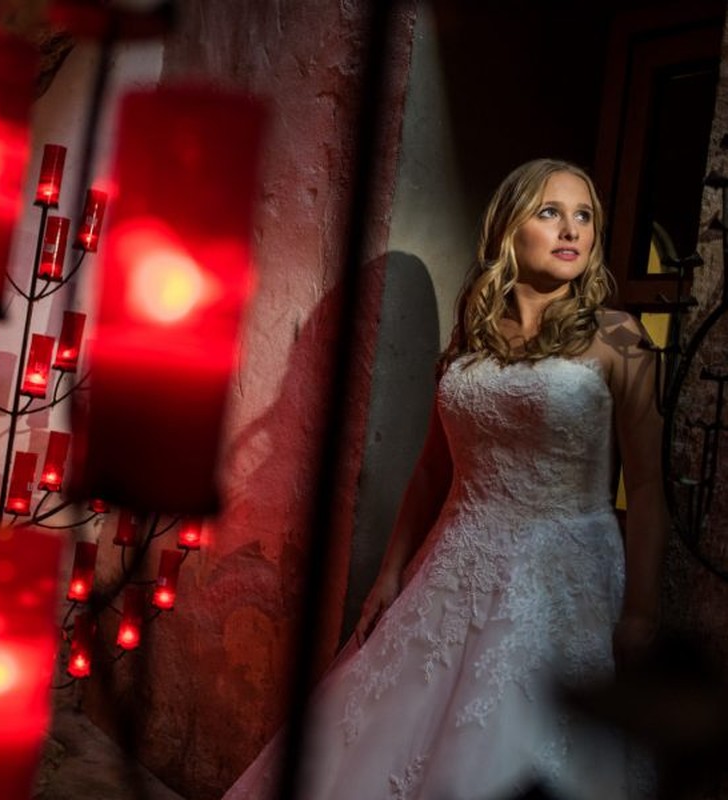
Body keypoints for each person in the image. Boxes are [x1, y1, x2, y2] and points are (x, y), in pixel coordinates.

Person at [223, 158, 668, 799]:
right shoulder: (474, 332)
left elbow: (648, 488)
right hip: (453, 570)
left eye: (584, 216)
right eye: (550, 213)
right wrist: (390, 573)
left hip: (560, 578)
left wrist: (642, 613)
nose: (572, 230)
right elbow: (434, 469)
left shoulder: (618, 338)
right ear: (510, 227)